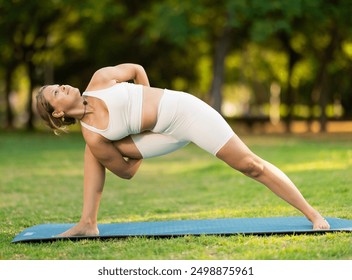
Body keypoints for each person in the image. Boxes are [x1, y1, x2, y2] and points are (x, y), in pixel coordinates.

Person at [36, 63, 330, 236]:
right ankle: (88, 222)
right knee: (94, 149)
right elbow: (125, 171)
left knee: (250, 165)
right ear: (58, 114)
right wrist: (144, 148)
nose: (63, 87)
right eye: (56, 92)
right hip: (160, 136)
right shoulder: (95, 136)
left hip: (186, 112)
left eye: (59, 85)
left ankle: (313, 214)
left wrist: (147, 98)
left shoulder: (100, 80)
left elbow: (137, 70)